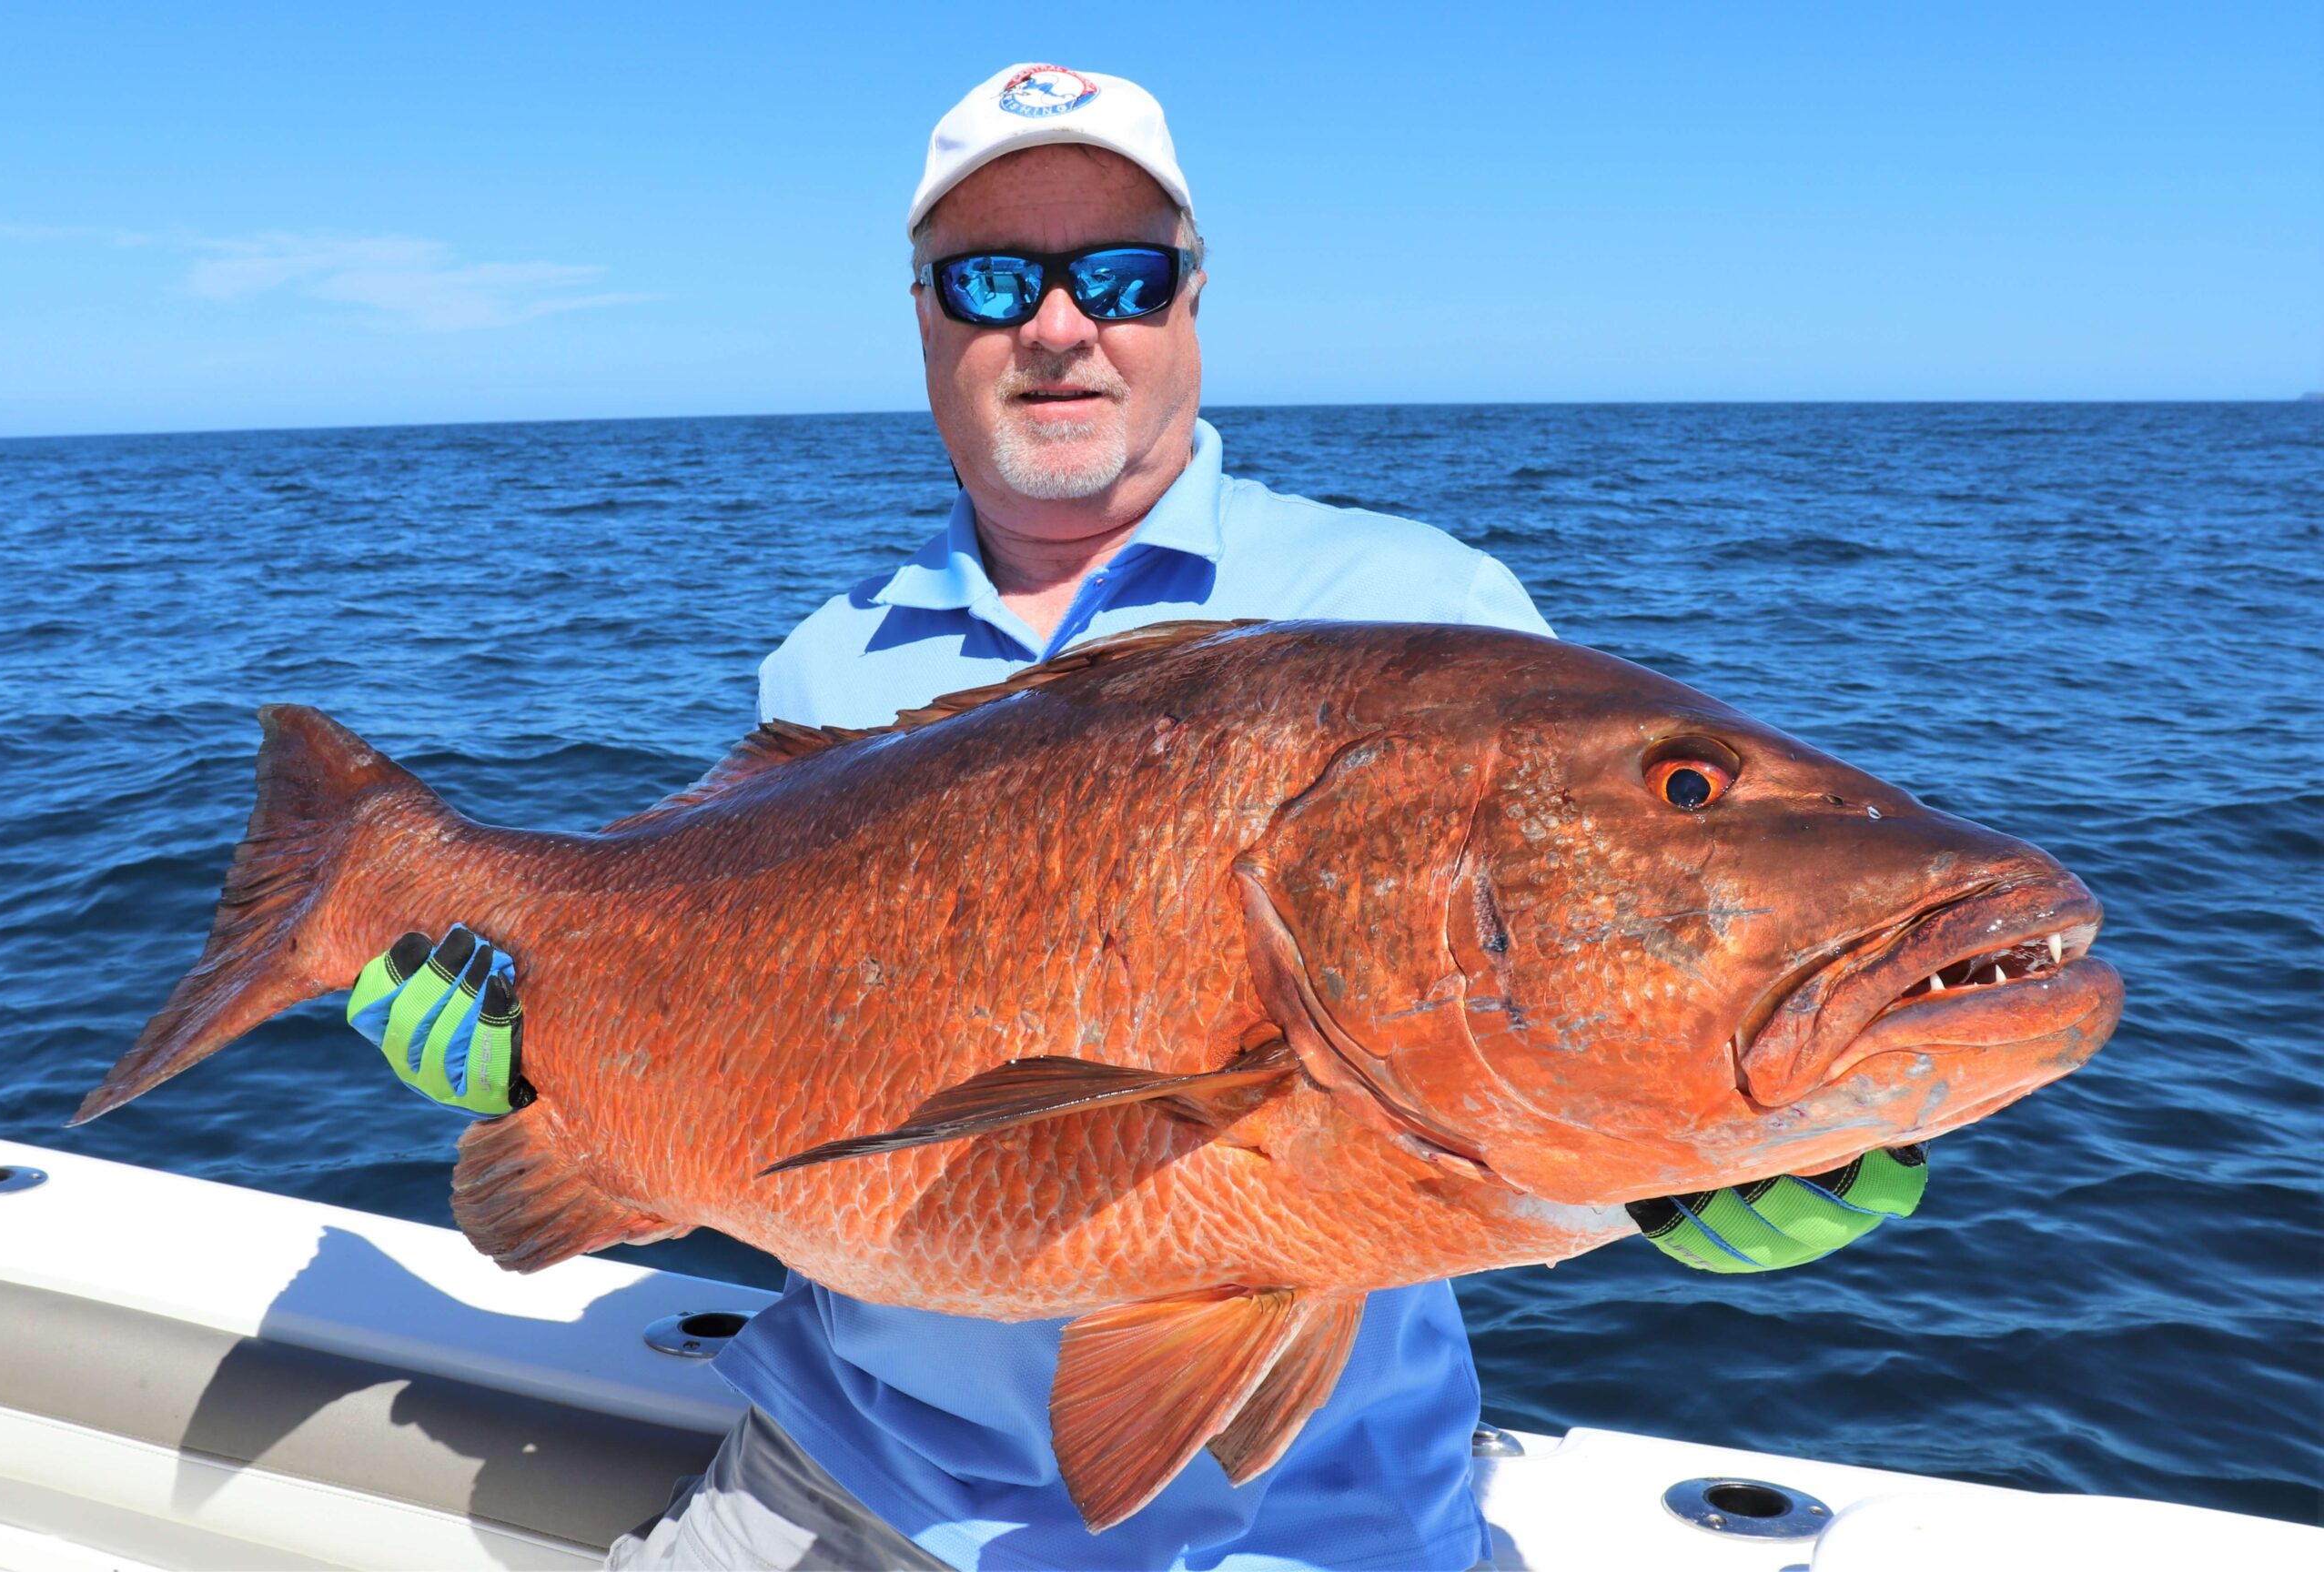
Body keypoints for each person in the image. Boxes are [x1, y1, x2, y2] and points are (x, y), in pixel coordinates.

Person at [349, 63, 1926, 1571]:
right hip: (837, 1480)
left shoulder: (1424, 604)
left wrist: (1719, 1150)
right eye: (991, 281)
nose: (1059, 327)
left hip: (1327, 1536)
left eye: (1120, 276)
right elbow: (747, 1093)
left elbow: (1557, 1010)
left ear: (1190, 301)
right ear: (925, 321)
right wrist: (549, 1067)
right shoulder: (831, 662)